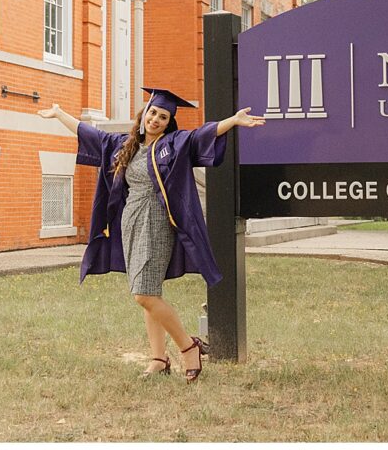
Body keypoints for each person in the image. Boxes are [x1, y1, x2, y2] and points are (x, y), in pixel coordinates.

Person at [37, 88, 264, 381]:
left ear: (169, 122)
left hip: (157, 224)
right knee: (149, 292)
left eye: (163, 116)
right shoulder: (126, 145)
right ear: (144, 113)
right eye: (153, 113)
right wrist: (58, 114)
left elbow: (200, 136)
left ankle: (188, 347)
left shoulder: (173, 144)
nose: (155, 119)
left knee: (143, 294)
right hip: (131, 223)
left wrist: (232, 121)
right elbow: (91, 135)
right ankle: (158, 358)